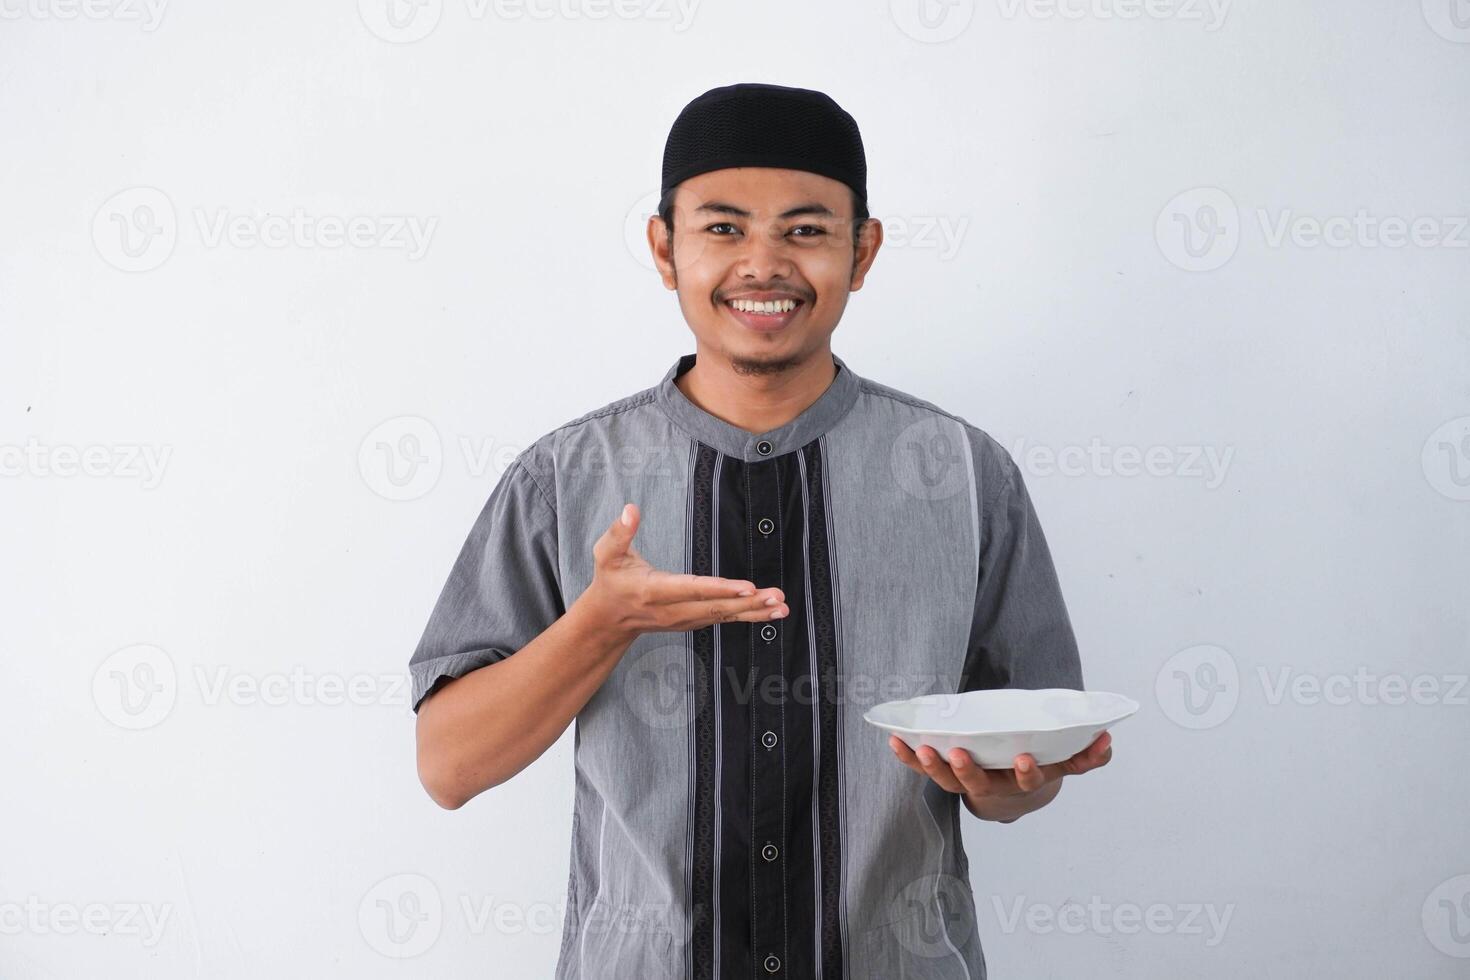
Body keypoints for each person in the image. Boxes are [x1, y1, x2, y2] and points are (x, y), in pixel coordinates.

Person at [408, 81, 1113, 980]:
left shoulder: (966, 474)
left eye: (807, 230)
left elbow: (1024, 769)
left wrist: (1013, 786)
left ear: (863, 252)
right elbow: (449, 768)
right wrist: (602, 622)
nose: (764, 264)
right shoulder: (563, 477)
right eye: (724, 227)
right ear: (666, 249)